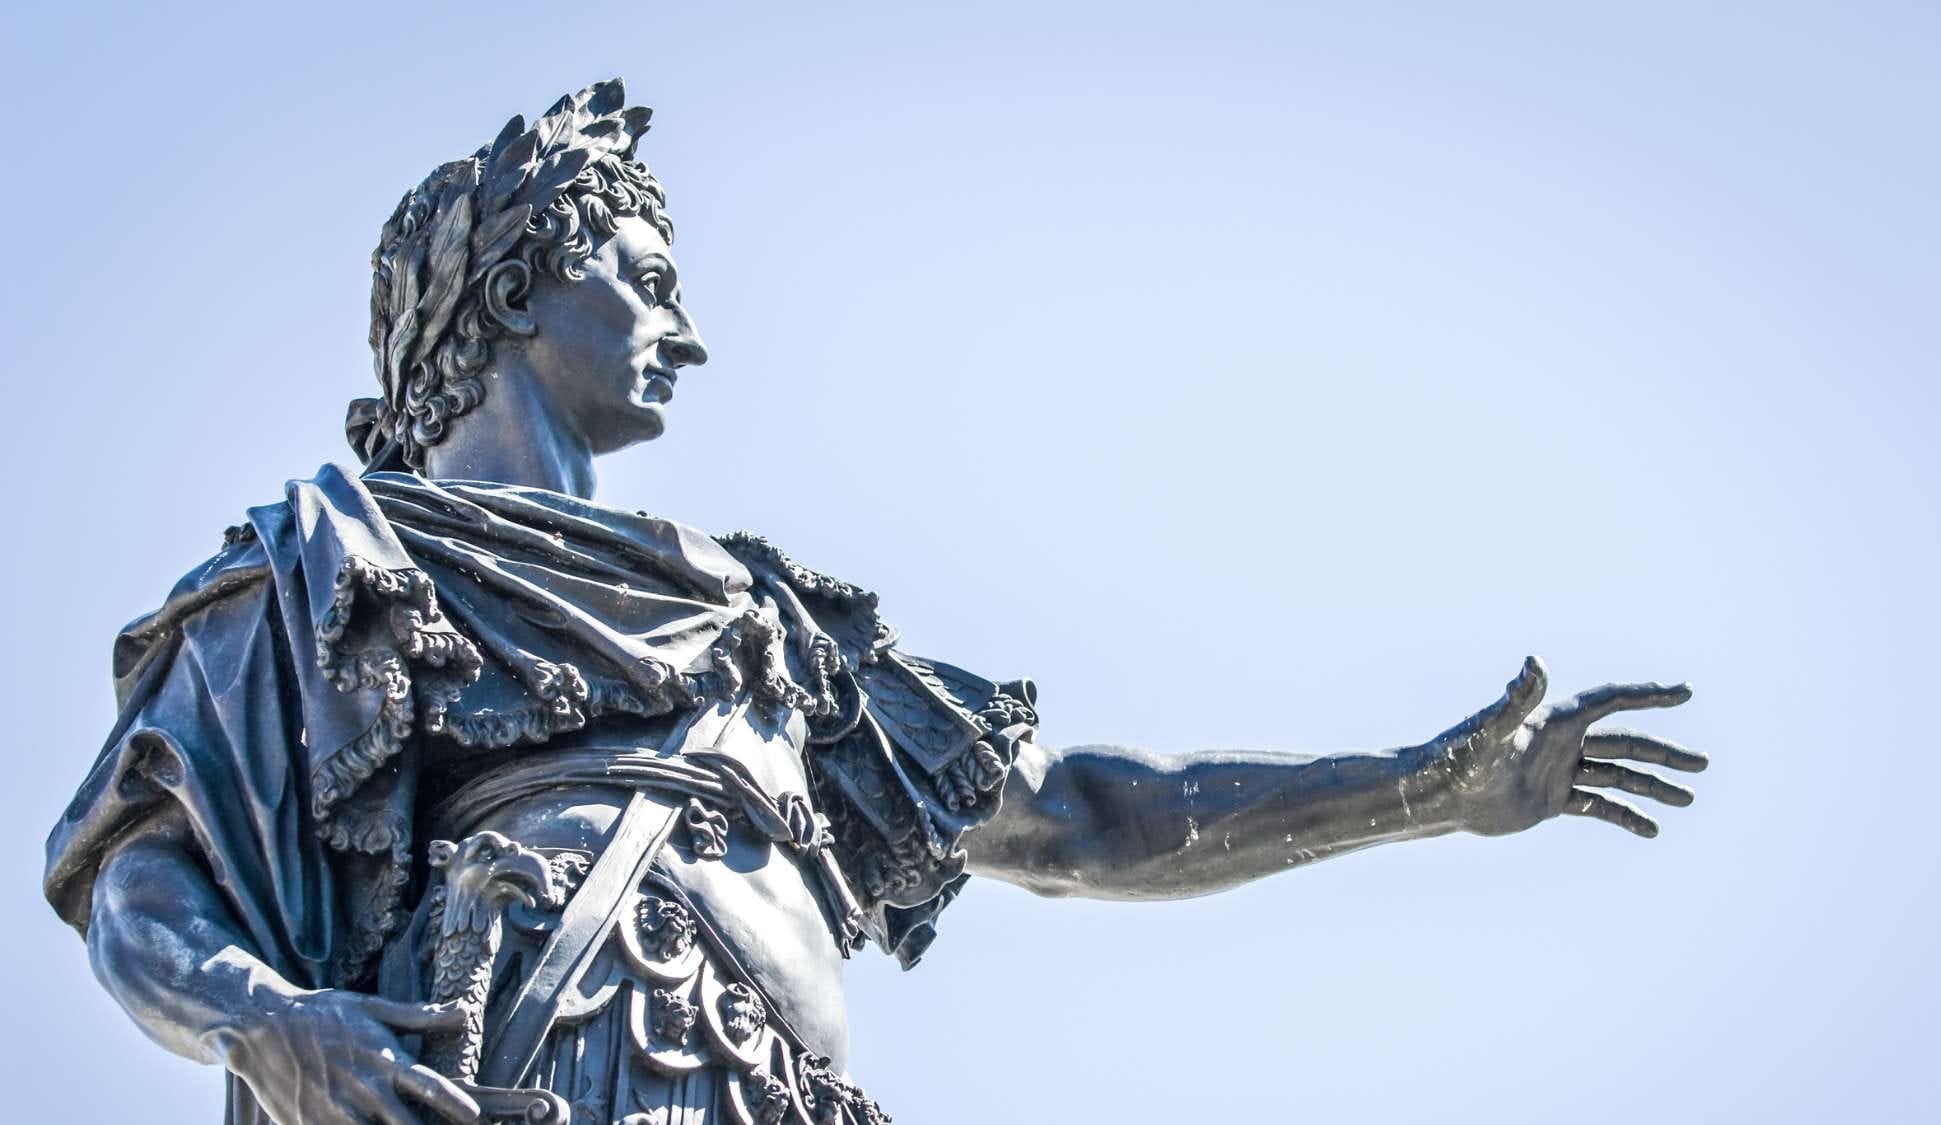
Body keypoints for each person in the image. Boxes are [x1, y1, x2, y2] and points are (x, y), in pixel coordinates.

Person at [44, 80, 1706, 1125]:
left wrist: (1434, 788)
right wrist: (273, 1026)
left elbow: (1081, 819)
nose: (684, 334)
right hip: (514, 1072)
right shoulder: (329, 568)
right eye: (646, 275)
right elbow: (145, 896)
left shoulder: (763, 620)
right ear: (518, 279)